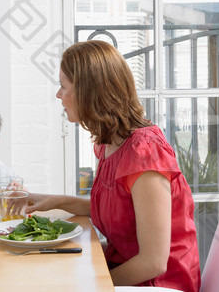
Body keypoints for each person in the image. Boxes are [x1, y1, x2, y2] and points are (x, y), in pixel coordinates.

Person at [26, 40, 201, 291]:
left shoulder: (145, 154)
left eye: (63, 86)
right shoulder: (109, 143)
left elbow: (154, 263)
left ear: (89, 93)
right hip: (127, 273)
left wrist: (91, 285)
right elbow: (117, 209)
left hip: (158, 286)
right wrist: (50, 201)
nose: (58, 94)